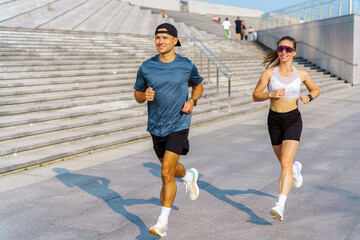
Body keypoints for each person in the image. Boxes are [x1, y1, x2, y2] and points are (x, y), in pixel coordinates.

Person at [134, 23, 203, 237]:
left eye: (165, 38)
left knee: (165, 173)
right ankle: (189, 176)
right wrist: (144, 96)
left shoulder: (186, 65)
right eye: (157, 38)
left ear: (175, 40)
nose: (160, 41)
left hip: (179, 123)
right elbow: (137, 94)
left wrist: (192, 100)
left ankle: (162, 223)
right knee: (171, 169)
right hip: (156, 125)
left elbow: (198, 84)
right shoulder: (146, 67)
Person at [252, 36, 320, 221]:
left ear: (294, 53)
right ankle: (295, 171)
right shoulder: (269, 73)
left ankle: (280, 205)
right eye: (281, 48)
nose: (284, 52)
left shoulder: (302, 74)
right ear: (278, 50)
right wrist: (270, 94)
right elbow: (255, 96)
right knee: (285, 163)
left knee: (284, 164)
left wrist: (309, 97)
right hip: (274, 121)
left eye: (288, 49)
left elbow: (315, 90)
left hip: (292, 120)